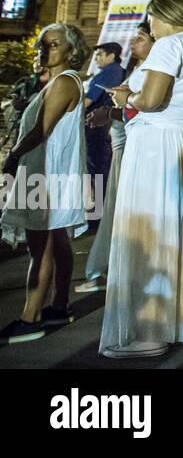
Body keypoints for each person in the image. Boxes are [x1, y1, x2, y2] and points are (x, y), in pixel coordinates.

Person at [99, 0, 183, 358]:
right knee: (180, 234)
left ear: (161, 15)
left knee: (151, 231)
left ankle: (150, 332)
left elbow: (152, 100)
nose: (149, 26)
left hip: (157, 147)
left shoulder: (169, 45)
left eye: (151, 18)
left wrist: (126, 99)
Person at [0, 23, 91, 345]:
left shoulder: (64, 82)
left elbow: (41, 129)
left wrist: (11, 158)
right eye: (42, 45)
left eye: (52, 45)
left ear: (71, 50)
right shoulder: (59, 82)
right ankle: (58, 306)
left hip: (47, 175)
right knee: (57, 241)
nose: (44, 50)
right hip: (52, 172)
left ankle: (30, 317)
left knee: (40, 249)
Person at [78, 22, 153, 293]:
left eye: (141, 38)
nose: (134, 42)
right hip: (122, 142)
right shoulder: (137, 69)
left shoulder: (152, 72)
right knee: (116, 208)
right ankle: (109, 267)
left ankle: (112, 270)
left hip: (131, 145)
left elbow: (145, 108)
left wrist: (111, 111)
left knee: (121, 209)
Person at [82, 42, 126, 215]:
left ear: (111, 55)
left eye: (100, 54)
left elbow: (87, 101)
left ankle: (99, 212)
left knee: (97, 166)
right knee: (100, 166)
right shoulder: (114, 72)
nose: (96, 58)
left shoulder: (110, 72)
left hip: (99, 126)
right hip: (104, 125)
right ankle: (100, 210)